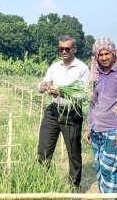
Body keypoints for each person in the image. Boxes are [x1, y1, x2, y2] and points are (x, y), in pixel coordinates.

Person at [37, 35, 90, 192]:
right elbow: (40, 85)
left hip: (72, 113)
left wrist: (63, 93)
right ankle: (41, 183)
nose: (64, 51)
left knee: (74, 153)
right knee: (43, 149)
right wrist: (44, 85)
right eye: (61, 48)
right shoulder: (54, 67)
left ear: (75, 49)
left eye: (67, 48)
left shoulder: (82, 68)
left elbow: (84, 94)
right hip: (53, 111)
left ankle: (74, 187)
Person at [84, 37, 117, 196]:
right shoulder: (97, 76)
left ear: (114, 54)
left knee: (110, 170)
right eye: (101, 55)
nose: (104, 57)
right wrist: (88, 127)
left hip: (113, 130)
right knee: (99, 167)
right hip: (96, 129)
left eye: (107, 54)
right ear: (96, 57)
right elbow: (93, 103)